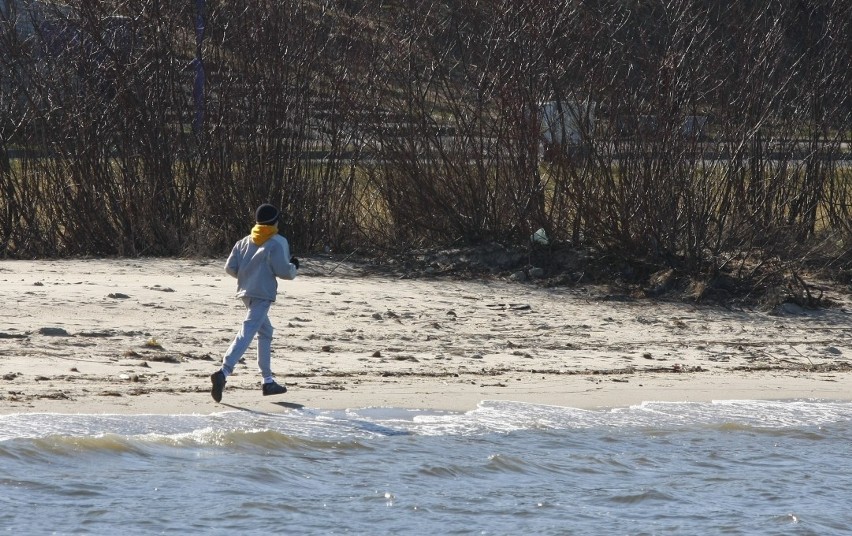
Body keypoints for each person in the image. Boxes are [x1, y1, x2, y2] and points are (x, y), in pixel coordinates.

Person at [210, 203, 299, 402]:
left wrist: (247, 277)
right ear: (275, 221)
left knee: (265, 331)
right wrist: (294, 267)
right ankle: (223, 372)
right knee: (248, 331)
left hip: (246, 292)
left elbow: (230, 267)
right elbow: (284, 271)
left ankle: (268, 381)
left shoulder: (244, 241)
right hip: (263, 293)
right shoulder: (277, 242)